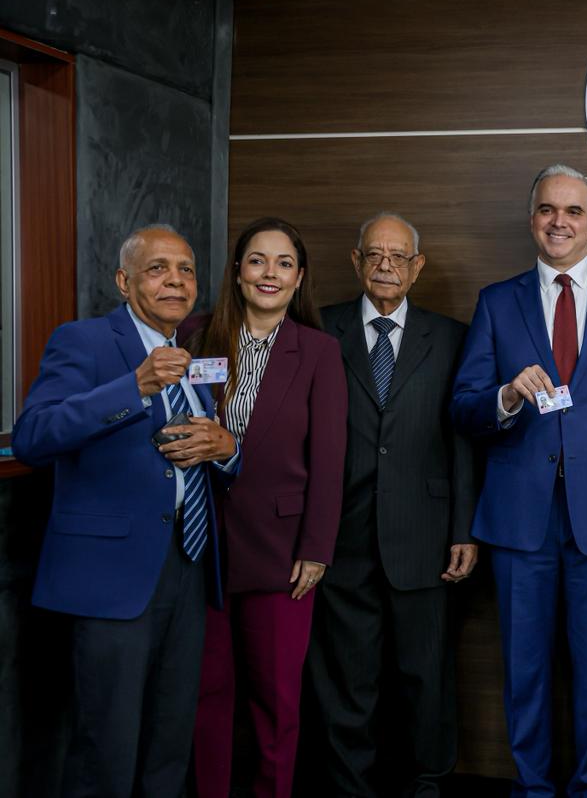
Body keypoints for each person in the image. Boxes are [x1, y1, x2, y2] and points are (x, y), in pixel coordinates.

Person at [451, 165, 587, 798]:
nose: (559, 222)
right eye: (547, 209)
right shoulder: (497, 301)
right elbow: (463, 407)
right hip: (521, 518)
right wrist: (507, 396)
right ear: (531, 219)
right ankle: (533, 788)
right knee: (525, 670)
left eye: (572, 211)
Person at [12, 225, 238, 798]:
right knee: (106, 750)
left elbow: (199, 452)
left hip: (187, 566)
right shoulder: (83, 341)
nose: (175, 281)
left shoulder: (192, 355)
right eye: (158, 268)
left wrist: (227, 449)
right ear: (124, 281)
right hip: (112, 576)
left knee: (170, 743)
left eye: (186, 270)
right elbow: (34, 437)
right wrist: (133, 387)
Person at [306, 212, 478, 797]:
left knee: (426, 677)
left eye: (398, 255)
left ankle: (426, 785)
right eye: (374, 254)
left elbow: (463, 440)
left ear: (417, 266)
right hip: (340, 536)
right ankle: (349, 787)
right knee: (345, 680)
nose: (386, 265)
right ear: (356, 261)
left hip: (425, 536)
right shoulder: (318, 329)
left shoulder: (451, 337)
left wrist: (464, 528)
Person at [184, 217, 347, 798]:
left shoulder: (319, 351)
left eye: (283, 263)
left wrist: (316, 549)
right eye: (257, 260)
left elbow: (329, 457)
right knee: (207, 694)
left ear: (299, 278)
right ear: (237, 271)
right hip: (200, 547)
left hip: (282, 554)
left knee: (275, 702)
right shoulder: (196, 336)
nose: (269, 273)